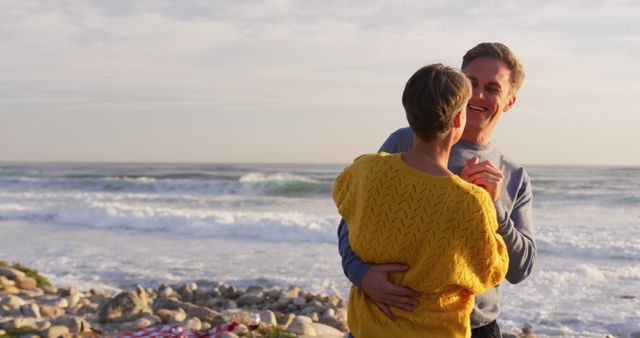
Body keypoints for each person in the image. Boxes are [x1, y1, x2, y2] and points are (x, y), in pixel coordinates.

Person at [337, 42, 536, 338]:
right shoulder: (404, 143)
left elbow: (520, 270)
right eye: (471, 83)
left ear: (509, 101)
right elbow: (352, 222)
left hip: (474, 327)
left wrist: (495, 208)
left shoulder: (514, 175)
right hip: (385, 319)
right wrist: (360, 274)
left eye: (493, 88)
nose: (478, 95)